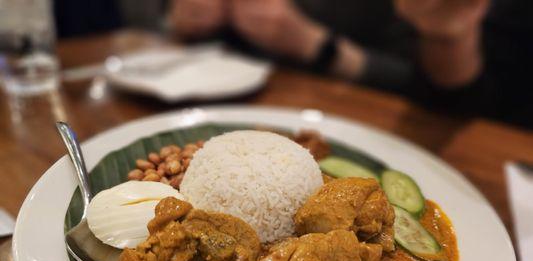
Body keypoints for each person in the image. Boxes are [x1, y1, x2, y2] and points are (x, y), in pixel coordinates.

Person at [169, 0, 533, 127]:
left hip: (374, 120)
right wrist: (183, 21)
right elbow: (170, 26)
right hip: (220, 105)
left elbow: (432, 91)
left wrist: (316, 46)